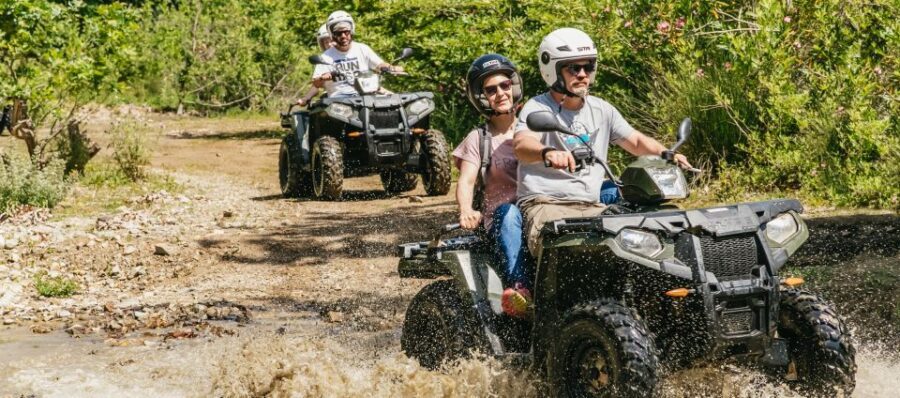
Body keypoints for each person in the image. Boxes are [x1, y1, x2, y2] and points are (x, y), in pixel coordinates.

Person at [513, 27, 693, 259]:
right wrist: (547, 152)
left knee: (650, 236)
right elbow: (522, 144)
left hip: (592, 205)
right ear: (552, 70)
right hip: (546, 205)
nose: (582, 74)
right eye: (573, 68)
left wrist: (666, 153)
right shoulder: (538, 107)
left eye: (587, 66)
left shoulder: (601, 109)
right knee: (572, 253)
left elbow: (635, 141)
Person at [452, 54, 530, 318]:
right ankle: (519, 291)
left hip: (540, 214)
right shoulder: (479, 138)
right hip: (501, 221)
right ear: (481, 96)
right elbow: (466, 180)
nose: (500, 93)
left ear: (515, 86)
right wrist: (466, 209)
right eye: (491, 89)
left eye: (505, 86)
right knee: (509, 213)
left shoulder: (535, 127)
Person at [311, 11, 402, 98]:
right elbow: (316, 84)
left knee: (395, 103)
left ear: (351, 31)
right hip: (340, 100)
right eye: (338, 33)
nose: (343, 36)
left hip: (366, 94)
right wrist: (323, 78)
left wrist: (389, 67)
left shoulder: (362, 48)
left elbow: (379, 65)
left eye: (346, 32)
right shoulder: (325, 57)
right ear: (332, 35)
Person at [296, 24, 333, 107]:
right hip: (333, 98)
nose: (329, 44)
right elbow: (316, 86)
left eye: (331, 40)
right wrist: (305, 99)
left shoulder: (351, 54)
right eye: (326, 42)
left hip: (356, 95)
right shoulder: (323, 59)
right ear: (322, 44)